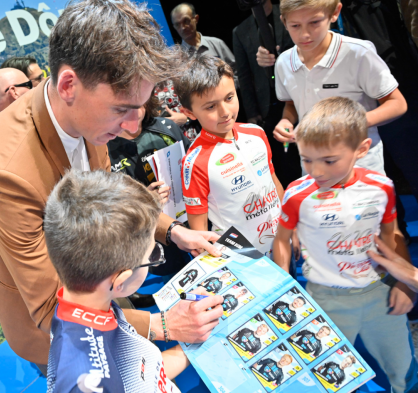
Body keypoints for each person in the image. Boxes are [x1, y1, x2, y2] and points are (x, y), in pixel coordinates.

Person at [0, 0, 225, 374]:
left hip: (107, 286)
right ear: (69, 84)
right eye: (122, 110)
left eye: (141, 106)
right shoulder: (3, 173)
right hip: (56, 329)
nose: (134, 127)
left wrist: (174, 231)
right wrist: (161, 325)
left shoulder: (88, 110)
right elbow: (54, 309)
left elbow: (107, 193)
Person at [273, 97, 418, 393]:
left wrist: (404, 284)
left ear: (361, 149)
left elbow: (392, 239)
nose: (316, 171)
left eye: (329, 161)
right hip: (326, 300)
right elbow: (282, 241)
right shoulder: (297, 193)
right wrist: (283, 289)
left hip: (378, 293)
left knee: (401, 370)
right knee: (336, 377)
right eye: (307, 159)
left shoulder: (381, 188)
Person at [45, 170, 198, 392]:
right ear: (121, 282)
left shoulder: (92, 303)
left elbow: (144, 376)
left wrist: (192, 345)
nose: (154, 257)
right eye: (152, 256)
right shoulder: (90, 381)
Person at [256, 0, 407, 175]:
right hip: (314, 170)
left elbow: (397, 104)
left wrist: (347, 124)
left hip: (360, 167)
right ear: (284, 22)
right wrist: (286, 121)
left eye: (314, 23)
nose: (305, 34)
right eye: (295, 25)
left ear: (334, 13)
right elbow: (291, 104)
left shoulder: (358, 53)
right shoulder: (283, 62)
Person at [175, 55, 284, 256]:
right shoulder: (195, 162)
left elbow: (274, 182)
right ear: (189, 113)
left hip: (281, 243)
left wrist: (289, 226)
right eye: (210, 106)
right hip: (241, 260)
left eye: (229, 98)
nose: (225, 112)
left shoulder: (256, 133)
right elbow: (199, 234)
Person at [108, 93, 192, 279]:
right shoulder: (104, 148)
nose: (134, 114)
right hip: (148, 245)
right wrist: (143, 198)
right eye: (124, 109)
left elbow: (193, 165)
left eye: (138, 105)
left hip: (189, 221)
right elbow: (109, 208)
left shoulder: (166, 127)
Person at [232, 0, 300, 188]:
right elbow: (244, 77)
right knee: (285, 161)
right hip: (268, 106)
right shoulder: (240, 31)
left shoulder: (291, 13)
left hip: (299, 97)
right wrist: (253, 114)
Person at [171, 3, 238, 87]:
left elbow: (237, 73)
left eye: (186, 21)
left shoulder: (217, 44)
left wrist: (226, 91)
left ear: (196, 19)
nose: (183, 28)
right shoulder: (176, 59)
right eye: (177, 24)